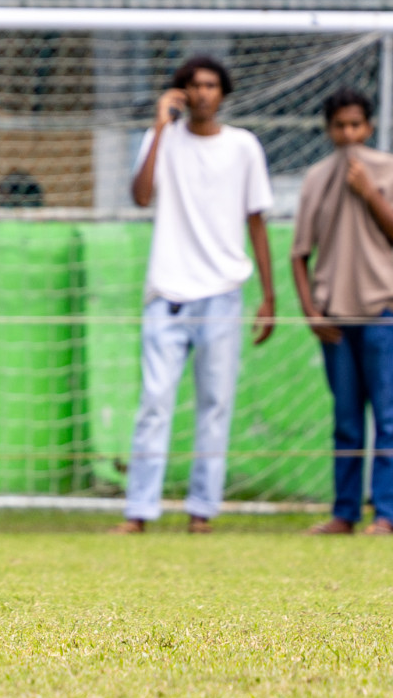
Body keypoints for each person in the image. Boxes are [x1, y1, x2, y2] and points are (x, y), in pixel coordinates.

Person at [115, 55, 275, 535]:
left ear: (222, 92)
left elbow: (257, 220)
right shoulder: (160, 141)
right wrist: (160, 126)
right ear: (181, 93)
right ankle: (139, 512)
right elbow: (141, 195)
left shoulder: (244, 146)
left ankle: (202, 510)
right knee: (154, 402)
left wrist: (269, 296)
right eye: (193, 86)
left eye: (211, 85)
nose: (203, 93)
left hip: (224, 294)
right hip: (168, 294)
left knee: (215, 406)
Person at [291, 88, 393, 536]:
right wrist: (311, 311)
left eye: (356, 124)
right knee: (347, 422)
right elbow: (299, 254)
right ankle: (344, 512)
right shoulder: (315, 178)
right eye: (339, 125)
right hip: (335, 321)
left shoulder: (387, 170)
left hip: (381, 315)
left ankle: (386, 513)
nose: (348, 133)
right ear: (328, 129)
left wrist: (370, 194)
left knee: (388, 420)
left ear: (368, 127)